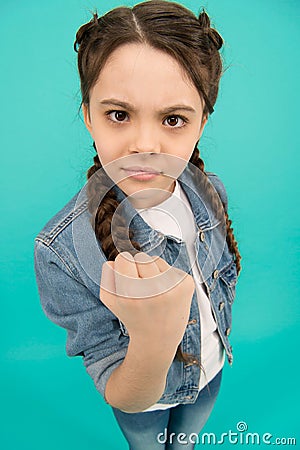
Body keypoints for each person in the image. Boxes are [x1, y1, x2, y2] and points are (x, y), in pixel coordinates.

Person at [34, 1, 242, 448]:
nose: (145, 144)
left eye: (173, 119)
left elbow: (220, 278)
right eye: (119, 114)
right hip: (144, 402)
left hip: (210, 372)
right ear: (88, 114)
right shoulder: (62, 250)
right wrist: (153, 337)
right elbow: (118, 386)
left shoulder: (209, 194)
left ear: (201, 123)